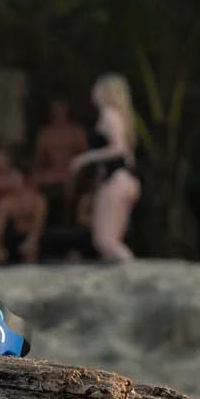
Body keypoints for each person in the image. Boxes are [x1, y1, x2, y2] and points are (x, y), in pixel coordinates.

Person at [69, 73, 142, 262]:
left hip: (117, 180)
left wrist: (85, 158)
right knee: (107, 240)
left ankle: (131, 267)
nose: (93, 92)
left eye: (97, 88)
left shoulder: (110, 115)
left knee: (106, 241)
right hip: (121, 179)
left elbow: (119, 148)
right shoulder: (117, 117)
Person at [0, 166, 48, 265]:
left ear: (24, 179)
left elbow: (38, 226)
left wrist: (31, 241)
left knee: (31, 250)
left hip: (33, 239)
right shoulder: (6, 202)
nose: (12, 181)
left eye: (15, 178)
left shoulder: (38, 200)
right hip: (13, 239)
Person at [33, 99, 88, 217]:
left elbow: (84, 155)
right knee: (34, 179)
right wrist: (37, 171)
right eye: (56, 110)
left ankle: (67, 217)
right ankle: (38, 216)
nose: (59, 113)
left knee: (69, 182)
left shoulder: (76, 131)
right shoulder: (45, 133)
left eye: (61, 109)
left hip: (71, 170)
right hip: (52, 169)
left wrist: (76, 168)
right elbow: (39, 159)